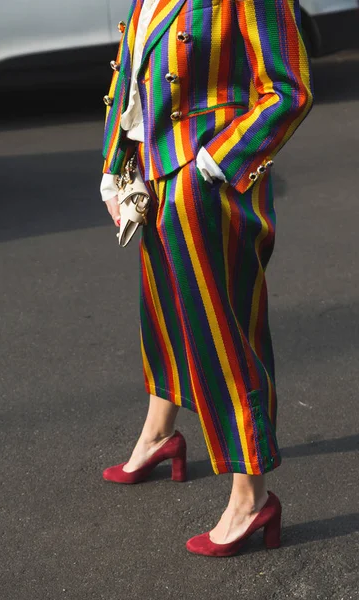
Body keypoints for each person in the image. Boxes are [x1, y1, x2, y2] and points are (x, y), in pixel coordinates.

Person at [100, 0, 313, 557]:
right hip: (152, 170)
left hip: (207, 181)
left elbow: (288, 90)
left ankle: (251, 495)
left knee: (222, 334)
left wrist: (214, 166)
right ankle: (160, 433)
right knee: (164, 309)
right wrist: (113, 166)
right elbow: (131, 72)